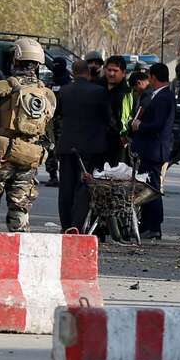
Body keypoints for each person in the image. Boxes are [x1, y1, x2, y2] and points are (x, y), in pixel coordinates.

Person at [0, 38, 56, 232]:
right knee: (19, 214)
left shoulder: (0, 88)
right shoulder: (47, 94)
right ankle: (21, 257)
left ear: (15, 60)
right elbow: (48, 129)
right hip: (27, 159)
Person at [55, 60, 111, 231]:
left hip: (67, 146)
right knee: (84, 187)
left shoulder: (63, 91)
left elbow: (57, 115)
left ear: (73, 73)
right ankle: (77, 225)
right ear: (88, 73)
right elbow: (107, 118)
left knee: (66, 187)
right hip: (90, 146)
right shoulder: (99, 92)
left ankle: (65, 225)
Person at [131, 63, 175, 240]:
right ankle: (148, 224)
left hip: (154, 149)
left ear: (153, 77)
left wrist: (140, 125)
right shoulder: (159, 95)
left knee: (152, 190)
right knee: (147, 187)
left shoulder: (163, 97)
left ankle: (154, 226)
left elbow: (158, 124)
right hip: (149, 149)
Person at [43, 57, 72, 187]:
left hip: (64, 121)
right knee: (50, 147)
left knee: (64, 149)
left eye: (58, 65)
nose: (55, 67)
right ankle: (52, 175)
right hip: (50, 120)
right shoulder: (50, 81)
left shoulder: (69, 83)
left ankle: (66, 176)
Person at [100, 55, 134, 166]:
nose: (111, 74)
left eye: (115, 71)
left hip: (118, 145)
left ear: (123, 73)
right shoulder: (97, 88)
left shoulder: (127, 93)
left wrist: (125, 136)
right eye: (109, 70)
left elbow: (128, 118)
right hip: (97, 143)